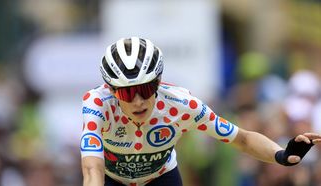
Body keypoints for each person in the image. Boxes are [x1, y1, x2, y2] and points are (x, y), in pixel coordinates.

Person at [80, 37, 321, 186]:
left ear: (159, 81)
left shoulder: (182, 105)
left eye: (146, 88)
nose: (139, 101)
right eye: (127, 93)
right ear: (111, 90)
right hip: (112, 180)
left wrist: (281, 154)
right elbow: (92, 169)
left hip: (160, 178)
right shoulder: (97, 104)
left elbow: (243, 138)